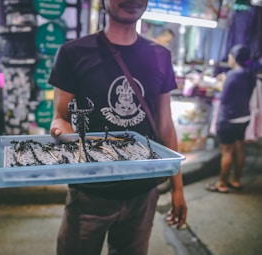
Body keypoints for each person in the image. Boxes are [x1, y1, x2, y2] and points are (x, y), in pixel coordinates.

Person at [48, 0, 187, 254]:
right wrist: (66, 134)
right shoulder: (73, 53)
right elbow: (60, 117)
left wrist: (178, 188)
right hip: (90, 192)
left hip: (143, 193)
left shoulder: (160, 56)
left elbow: (166, 127)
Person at [206, 44, 256, 193]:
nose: (229, 58)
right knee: (240, 149)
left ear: (235, 58)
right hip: (243, 117)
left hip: (229, 118)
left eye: (230, 56)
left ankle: (221, 183)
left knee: (227, 151)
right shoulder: (250, 74)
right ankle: (236, 180)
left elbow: (224, 97)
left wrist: (218, 88)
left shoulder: (233, 75)